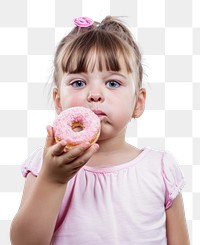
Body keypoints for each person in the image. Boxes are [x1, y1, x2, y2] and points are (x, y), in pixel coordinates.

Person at [10, 16, 190, 245]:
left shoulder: (160, 169)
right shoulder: (47, 163)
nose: (94, 94)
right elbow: (24, 242)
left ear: (138, 102)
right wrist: (52, 180)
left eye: (113, 83)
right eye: (78, 83)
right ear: (58, 101)